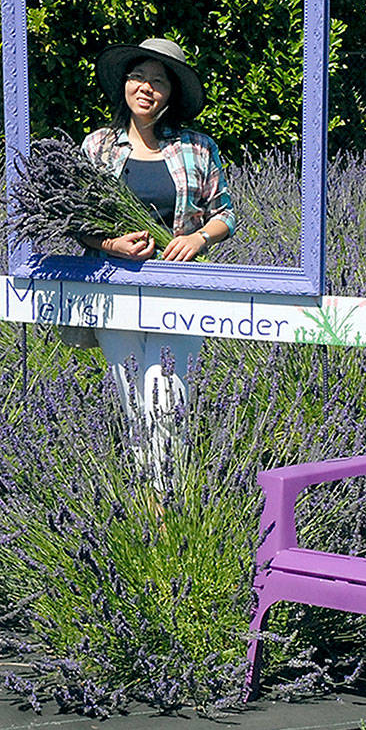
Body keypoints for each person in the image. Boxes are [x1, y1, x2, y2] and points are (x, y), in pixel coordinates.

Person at [80, 38, 236, 476]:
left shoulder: (197, 146)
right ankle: (145, 503)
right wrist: (110, 243)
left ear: (171, 93)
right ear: (124, 85)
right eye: (138, 77)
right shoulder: (98, 147)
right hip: (115, 291)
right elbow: (75, 219)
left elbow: (225, 213)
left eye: (158, 81)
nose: (146, 88)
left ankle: (168, 500)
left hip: (178, 289)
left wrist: (199, 239)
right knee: (132, 401)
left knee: (167, 398)